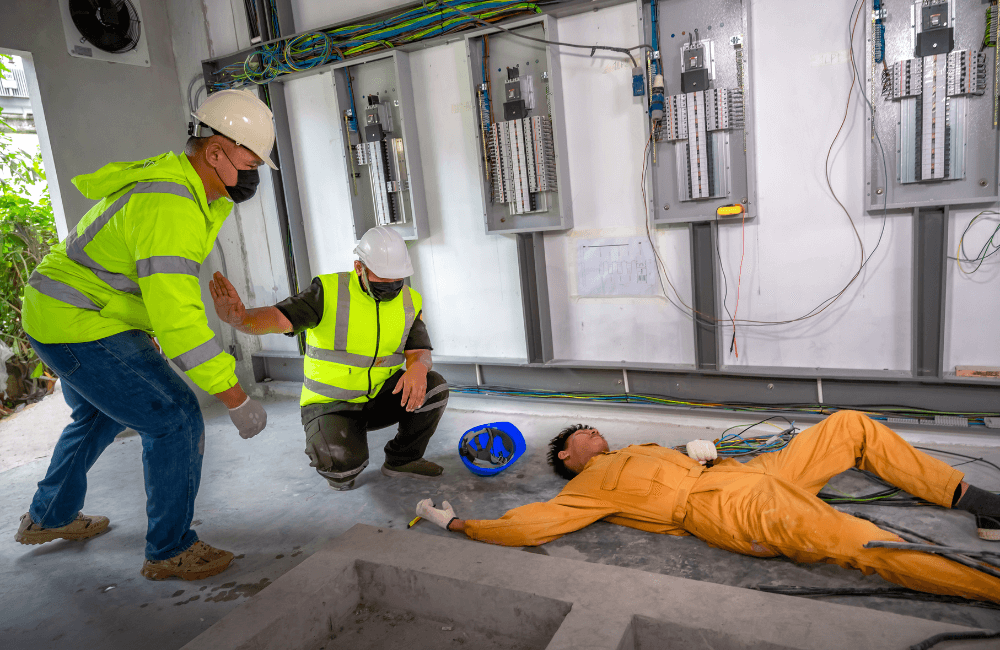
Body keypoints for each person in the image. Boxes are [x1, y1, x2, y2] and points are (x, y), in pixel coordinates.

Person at [14, 89, 275, 581]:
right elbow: (179, 318)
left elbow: (143, 282)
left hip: (67, 313)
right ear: (215, 153)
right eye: (250, 161)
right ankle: (170, 550)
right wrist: (235, 395)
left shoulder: (180, 187)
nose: (254, 173)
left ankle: (48, 517)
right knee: (173, 417)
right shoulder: (172, 204)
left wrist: (136, 327)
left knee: (99, 415)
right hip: (78, 320)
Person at [416, 410, 1000, 604]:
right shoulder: (581, 488)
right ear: (567, 456)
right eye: (582, 435)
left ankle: (974, 499)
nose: (594, 432)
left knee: (848, 428)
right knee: (861, 540)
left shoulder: (640, 447)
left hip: (739, 474)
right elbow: (530, 524)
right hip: (724, 510)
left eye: (593, 428)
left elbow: (684, 459)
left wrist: (703, 450)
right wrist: (464, 523)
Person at [209, 225, 449, 490]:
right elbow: (279, 318)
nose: (392, 287)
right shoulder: (329, 291)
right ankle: (335, 441)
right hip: (331, 403)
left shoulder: (409, 300)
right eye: (383, 280)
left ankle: (403, 460)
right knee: (343, 470)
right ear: (359, 267)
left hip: (378, 397)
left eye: (397, 280)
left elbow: (419, 351)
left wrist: (418, 368)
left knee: (433, 386)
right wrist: (242, 319)